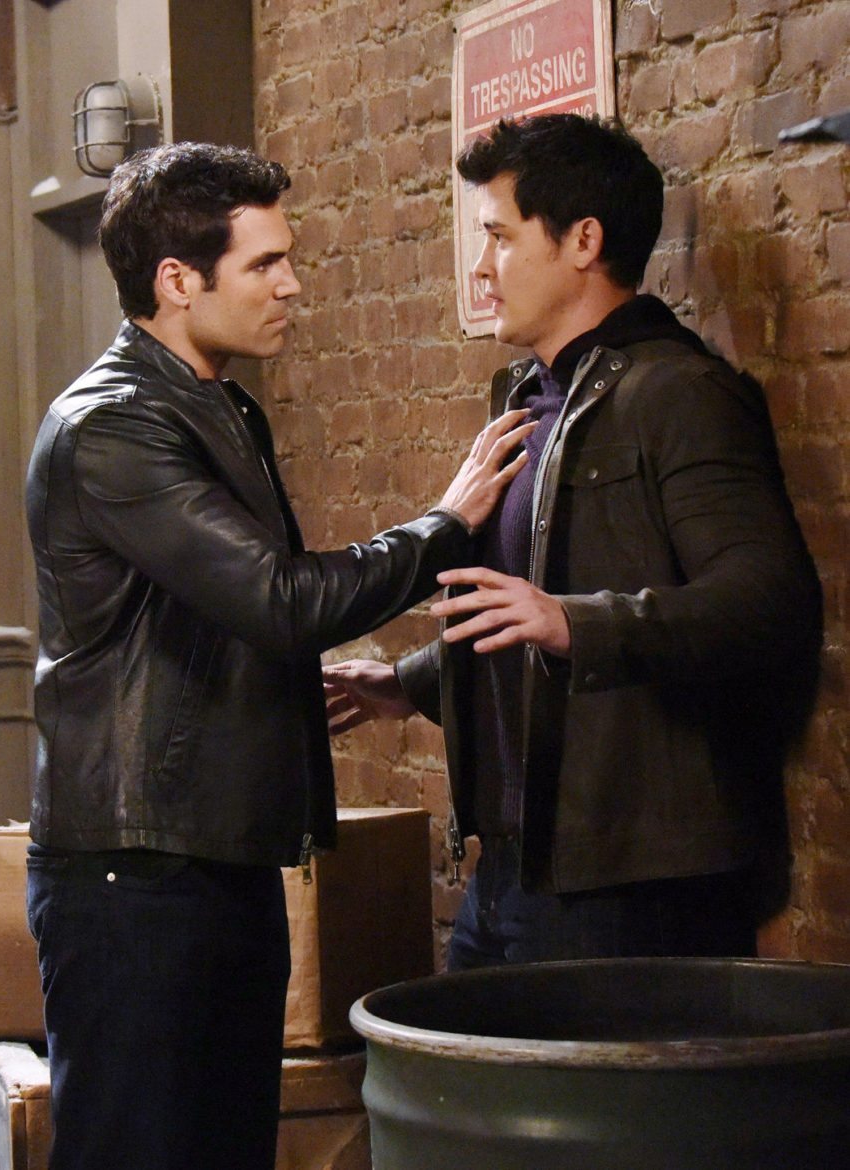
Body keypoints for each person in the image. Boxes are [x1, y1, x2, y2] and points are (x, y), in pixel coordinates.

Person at [24, 141, 534, 1170]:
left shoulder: (216, 404)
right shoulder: (114, 424)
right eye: (264, 263)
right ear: (178, 281)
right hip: (137, 877)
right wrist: (442, 526)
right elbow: (279, 601)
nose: (292, 284)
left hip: (215, 860)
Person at [324, 114, 822, 973]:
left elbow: (767, 604)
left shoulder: (680, 393)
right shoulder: (524, 398)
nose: (481, 269)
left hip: (633, 879)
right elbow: (532, 601)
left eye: (500, 237)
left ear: (583, 241)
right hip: (514, 866)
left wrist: (574, 623)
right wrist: (408, 683)